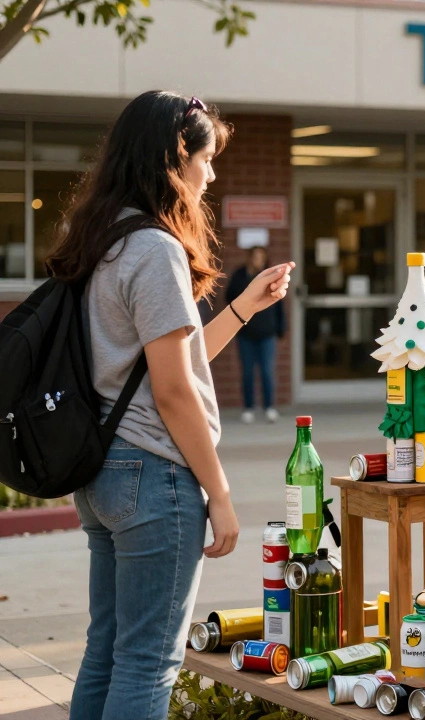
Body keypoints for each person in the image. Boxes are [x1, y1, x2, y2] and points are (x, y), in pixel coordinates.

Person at [44, 91, 294, 720]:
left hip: (105, 473)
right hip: (155, 478)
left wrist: (244, 307)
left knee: (106, 653)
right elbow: (172, 391)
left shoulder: (102, 238)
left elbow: (171, 365)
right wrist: (220, 491)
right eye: (206, 160)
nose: (211, 175)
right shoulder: (155, 248)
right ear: (175, 158)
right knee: (149, 663)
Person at [227, 245, 286, 423]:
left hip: (267, 333)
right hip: (246, 333)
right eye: (255, 257)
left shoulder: (270, 277)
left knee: (267, 372)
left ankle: (269, 407)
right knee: (247, 372)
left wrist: (281, 329)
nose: (257, 260)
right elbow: (230, 297)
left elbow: (279, 304)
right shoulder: (240, 276)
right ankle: (248, 408)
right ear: (249, 257)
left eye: (261, 257)